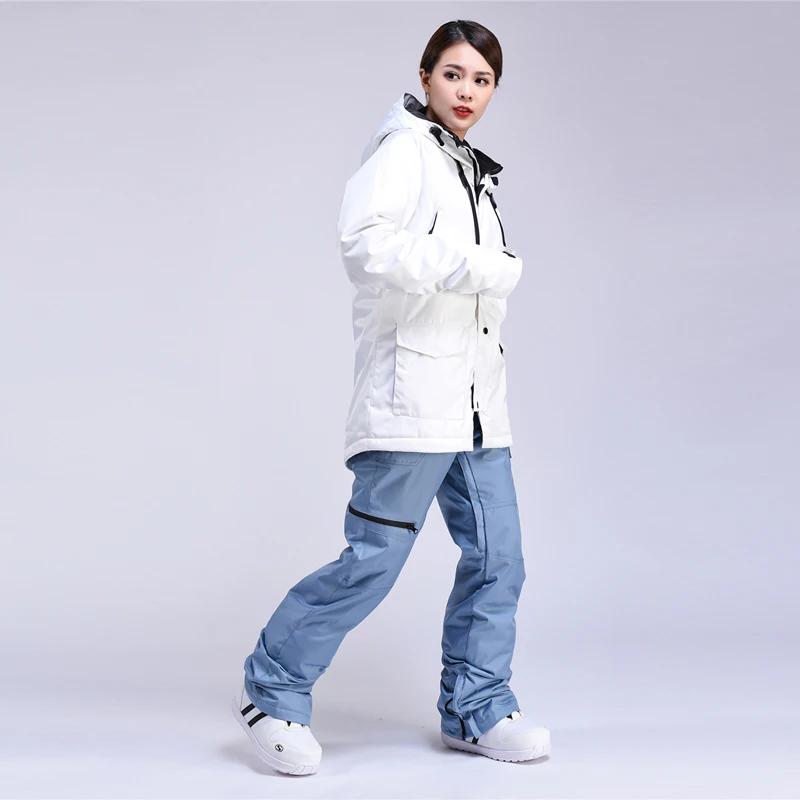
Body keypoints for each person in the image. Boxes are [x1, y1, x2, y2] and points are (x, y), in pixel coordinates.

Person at [231, 19, 551, 776]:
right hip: (412, 404)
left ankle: (475, 706)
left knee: (499, 559)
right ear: (425, 75)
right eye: (453, 74)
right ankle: (271, 691)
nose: (466, 91)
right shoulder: (404, 149)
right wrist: (479, 265)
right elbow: (364, 244)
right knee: (373, 562)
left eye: (482, 80)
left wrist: (480, 274)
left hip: (477, 409)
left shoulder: (466, 166)